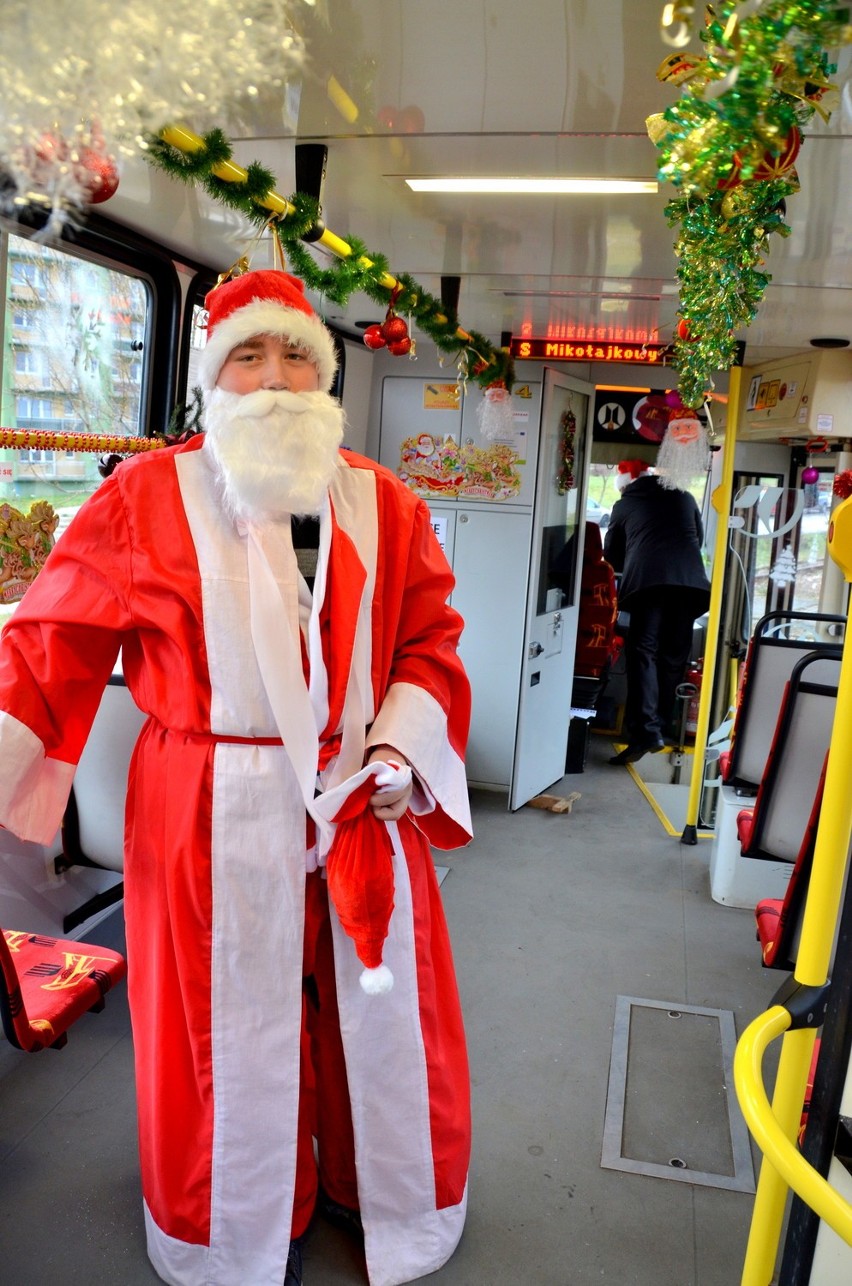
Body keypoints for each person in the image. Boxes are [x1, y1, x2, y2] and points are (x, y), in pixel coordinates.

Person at [0, 270, 473, 1286]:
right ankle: (233, 1221)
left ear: (324, 371)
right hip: (204, 809)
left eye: (294, 354)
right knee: (222, 1026)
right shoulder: (140, 496)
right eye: (246, 357)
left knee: (377, 1009)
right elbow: (48, 645)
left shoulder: (384, 500)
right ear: (214, 376)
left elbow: (431, 640)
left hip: (359, 796)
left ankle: (373, 1183)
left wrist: (398, 748)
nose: (272, 378)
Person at [603, 453, 710, 764]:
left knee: (643, 652)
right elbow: (697, 540)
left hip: (649, 585)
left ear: (625, 484)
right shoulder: (685, 498)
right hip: (691, 586)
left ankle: (647, 732)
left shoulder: (625, 504)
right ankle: (659, 727)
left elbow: (612, 557)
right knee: (673, 656)